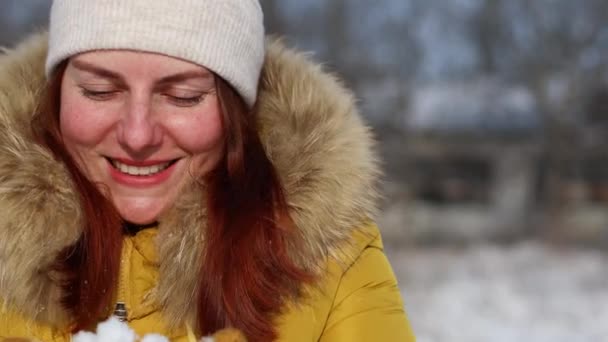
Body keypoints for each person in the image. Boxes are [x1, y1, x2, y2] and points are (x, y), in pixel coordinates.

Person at [0, 1, 415, 341]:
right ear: (57, 96)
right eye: (99, 91)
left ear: (237, 112)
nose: (138, 134)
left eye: (184, 96)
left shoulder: (333, 258)